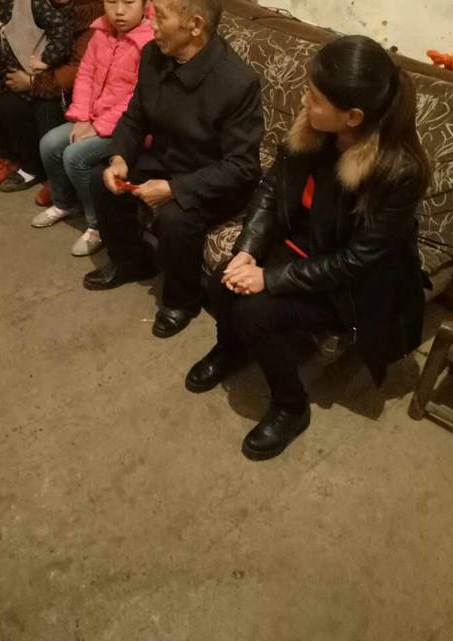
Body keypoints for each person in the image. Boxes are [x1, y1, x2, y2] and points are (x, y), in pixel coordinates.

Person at [185, 35, 431, 461]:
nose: (302, 101)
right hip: (304, 244)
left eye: (314, 98)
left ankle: (291, 407)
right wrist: (247, 250)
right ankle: (232, 350)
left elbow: (358, 261)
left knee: (255, 312)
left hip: (353, 283)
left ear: (352, 116)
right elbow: (271, 189)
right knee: (225, 279)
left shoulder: (399, 171)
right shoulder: (314, 130)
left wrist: (268, 277)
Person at [85, 0, 264, 339]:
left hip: (212, 177)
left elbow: (241, 166)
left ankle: (182, 301)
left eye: (160, 16)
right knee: (103, 179)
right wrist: (120, 156)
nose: (151, 24)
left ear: (195, 24)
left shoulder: (236, 82)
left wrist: (174, 189)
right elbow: (135, 116)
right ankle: (132, 262)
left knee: (175, 217)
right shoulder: (154, 54)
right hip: (168, 158)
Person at [31, 0, 154, 257]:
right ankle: (63, 202)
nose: (119, 11)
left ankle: (97, 224)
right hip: (93, 117)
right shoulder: (100, 34)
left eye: (128, 2)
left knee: (75, 156)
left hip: (127, 128)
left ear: (145, 1)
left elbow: (137, 99)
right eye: (111, 1)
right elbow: (85, 75)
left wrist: (98, 126)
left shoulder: (149, 43)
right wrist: (82, 116)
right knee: (49, 144)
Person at [0, 0, 103, 194]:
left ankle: (48, 175)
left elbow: (79, 68)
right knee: (1, 98)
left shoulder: (94, 9)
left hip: (75, 94)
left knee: (36, 106)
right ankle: (10, 155)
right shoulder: (35, 0)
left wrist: (34, 82)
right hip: (39, 77)